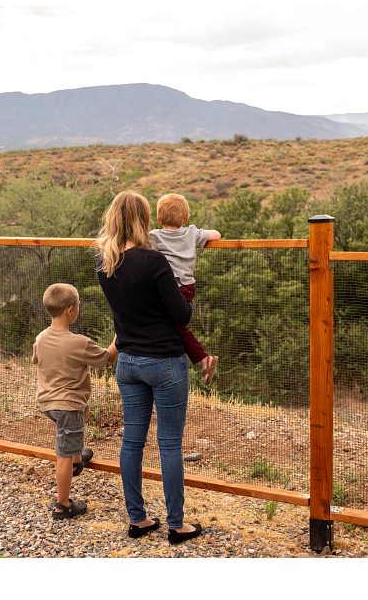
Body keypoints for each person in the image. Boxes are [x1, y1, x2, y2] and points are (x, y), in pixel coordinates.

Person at [95, 191, 204, 544]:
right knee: (170, 444)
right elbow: (182, 314)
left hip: (127, 363)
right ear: (144, 219)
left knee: (132, 441)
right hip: (164, 363)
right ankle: (176, 525)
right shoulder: (154, 262)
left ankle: (138, 519)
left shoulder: (104, 261)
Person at [32, 283, 118, 520]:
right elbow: (108, 357)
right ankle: (62, 506)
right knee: (62, 456)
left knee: (84, 409)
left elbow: (37, 359)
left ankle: (78, 457)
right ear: (70, 310)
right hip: (67, 407)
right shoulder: (78, 342)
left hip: (48, 402)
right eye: (78, 305)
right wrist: (122, 331)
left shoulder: (40, 338)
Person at [150, 193, 221, 384]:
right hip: (188, 287)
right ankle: (203, 359)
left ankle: (204, 358)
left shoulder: (155, 236)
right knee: (177, 325)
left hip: (171, 288)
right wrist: (198, 235)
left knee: (177, 326)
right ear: (186, 218)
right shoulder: (191, 233)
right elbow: (216, 235)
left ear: (158, 219)